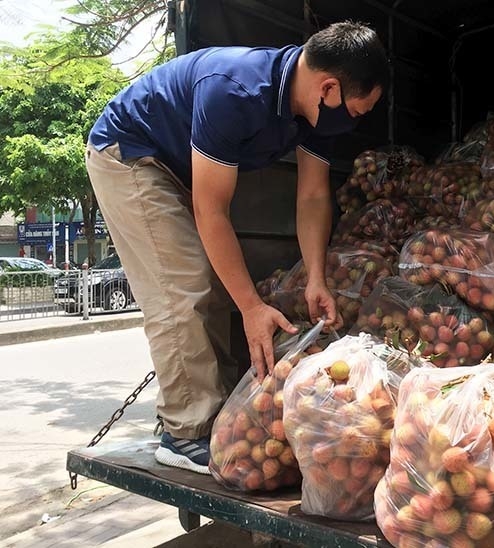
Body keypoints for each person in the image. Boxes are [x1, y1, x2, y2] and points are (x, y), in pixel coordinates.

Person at [85, 21, 389, 474]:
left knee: (212, 280)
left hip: (180, 168)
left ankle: (215, 406)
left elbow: (311, 197)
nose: (356, 121)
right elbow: (213, 211)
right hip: (130, 155)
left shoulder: (313, 112)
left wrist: (316, 279)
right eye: (359, 111)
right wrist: (251, 307)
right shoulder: (235, 90)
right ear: (328, 88)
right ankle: (184, 431)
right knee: (182, 285)